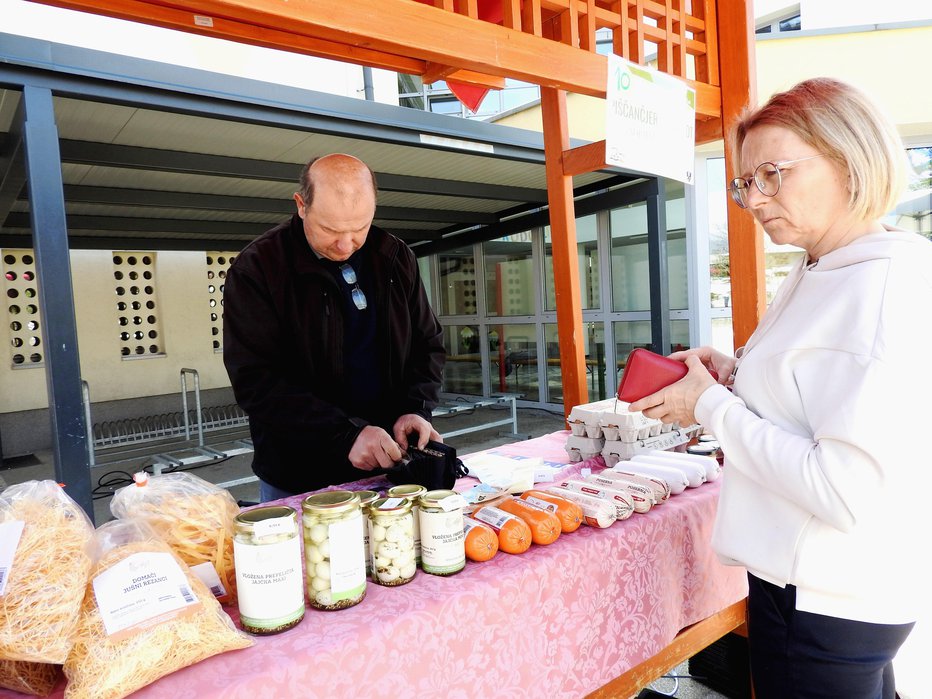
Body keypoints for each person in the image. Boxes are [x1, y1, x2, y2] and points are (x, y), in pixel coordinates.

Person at [629, 78, 931, 698]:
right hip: (820, 584)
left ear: (849, 159)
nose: (755, 198)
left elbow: (844, 489)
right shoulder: (823, 263)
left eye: (772, 173)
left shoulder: (877, 287)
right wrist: (736, 375)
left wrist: (710, 406)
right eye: (745, 183)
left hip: (828, 595)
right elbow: (812, 397)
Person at [223, 153, 446, 501]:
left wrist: (415, 408)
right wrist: (345, 435)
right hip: (299, 476)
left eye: (360, 228)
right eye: (329, 229)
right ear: (301, 205)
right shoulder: (258, 269)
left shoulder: (394, 256)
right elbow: (256, 381)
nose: (345, 245)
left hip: (392, 467)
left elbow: (427, 345)